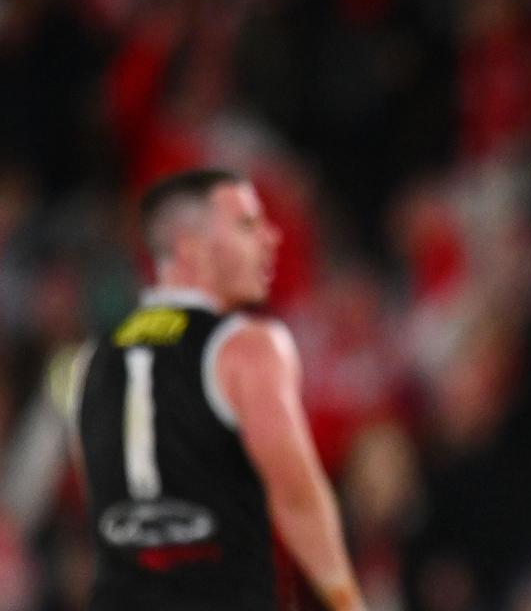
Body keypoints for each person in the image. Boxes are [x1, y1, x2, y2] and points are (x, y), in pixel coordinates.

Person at [68, 169, 366, 611]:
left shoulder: (87, 361)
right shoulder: (249, 345)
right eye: (247, 225)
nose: (271, 238)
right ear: (191, 248)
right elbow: (297, 496)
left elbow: (102, 501)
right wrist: (349, 602)